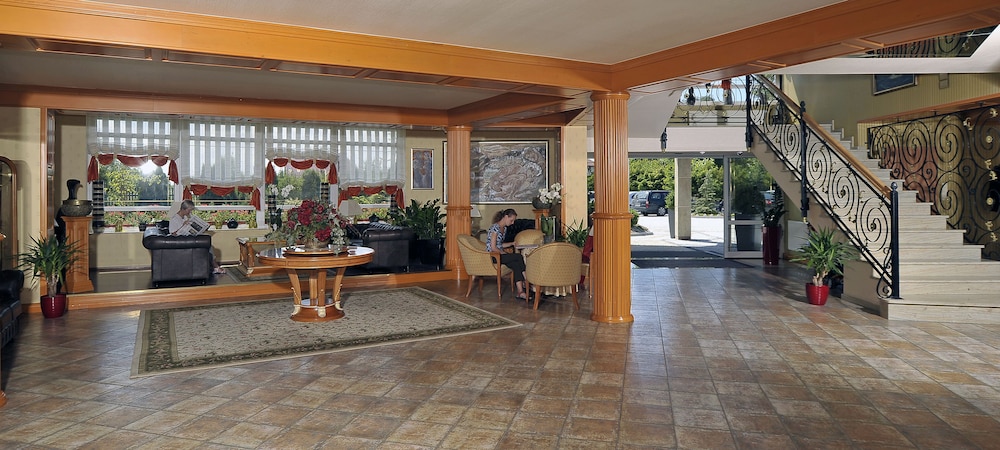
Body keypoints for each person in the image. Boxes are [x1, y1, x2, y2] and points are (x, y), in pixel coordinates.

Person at [169, 200, 226, 274]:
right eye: (189, 210)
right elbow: (173, 234)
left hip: (189, 239)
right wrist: (183, 226)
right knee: (207, 245)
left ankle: (212, 266)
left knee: (207, 240)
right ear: (183, 209)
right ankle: (215, 267)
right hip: (182, 242)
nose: (190, 212)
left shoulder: (185, 217)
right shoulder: (174, 219)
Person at [486, 208, 528, 301]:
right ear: (505, 217)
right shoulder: (495, 228)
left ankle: (520, 292)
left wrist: (511, 243)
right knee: (518, 256)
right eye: (511, 220)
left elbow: (500, 245)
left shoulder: (504, 229)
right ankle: (527, 280)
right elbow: (493, 247)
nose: (512, 223)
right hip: (493, 256)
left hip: (500, 255)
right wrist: (504, 253)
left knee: (515, 264)